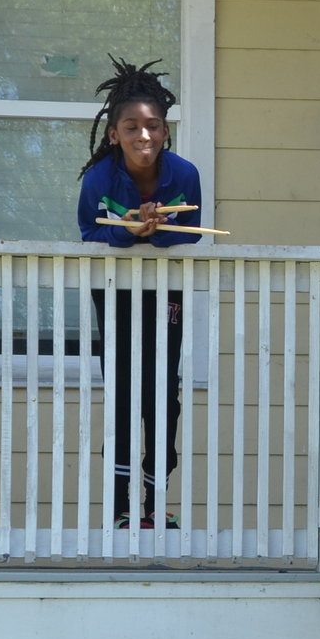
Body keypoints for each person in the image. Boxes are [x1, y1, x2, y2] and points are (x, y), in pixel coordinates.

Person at [78, 57, 203, 527]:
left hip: (165, 292)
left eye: (153, 126)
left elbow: (190, 234)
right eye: (131, 127)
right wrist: (129, 232)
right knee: (123, 394)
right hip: (114, 293)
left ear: (166, 132)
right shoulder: (98, 179)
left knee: (162, 394)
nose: (143, 136)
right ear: (114, 135)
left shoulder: (184, 174)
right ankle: (120, 506)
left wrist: (157, 231)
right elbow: (89, 234)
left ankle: (153, 505)